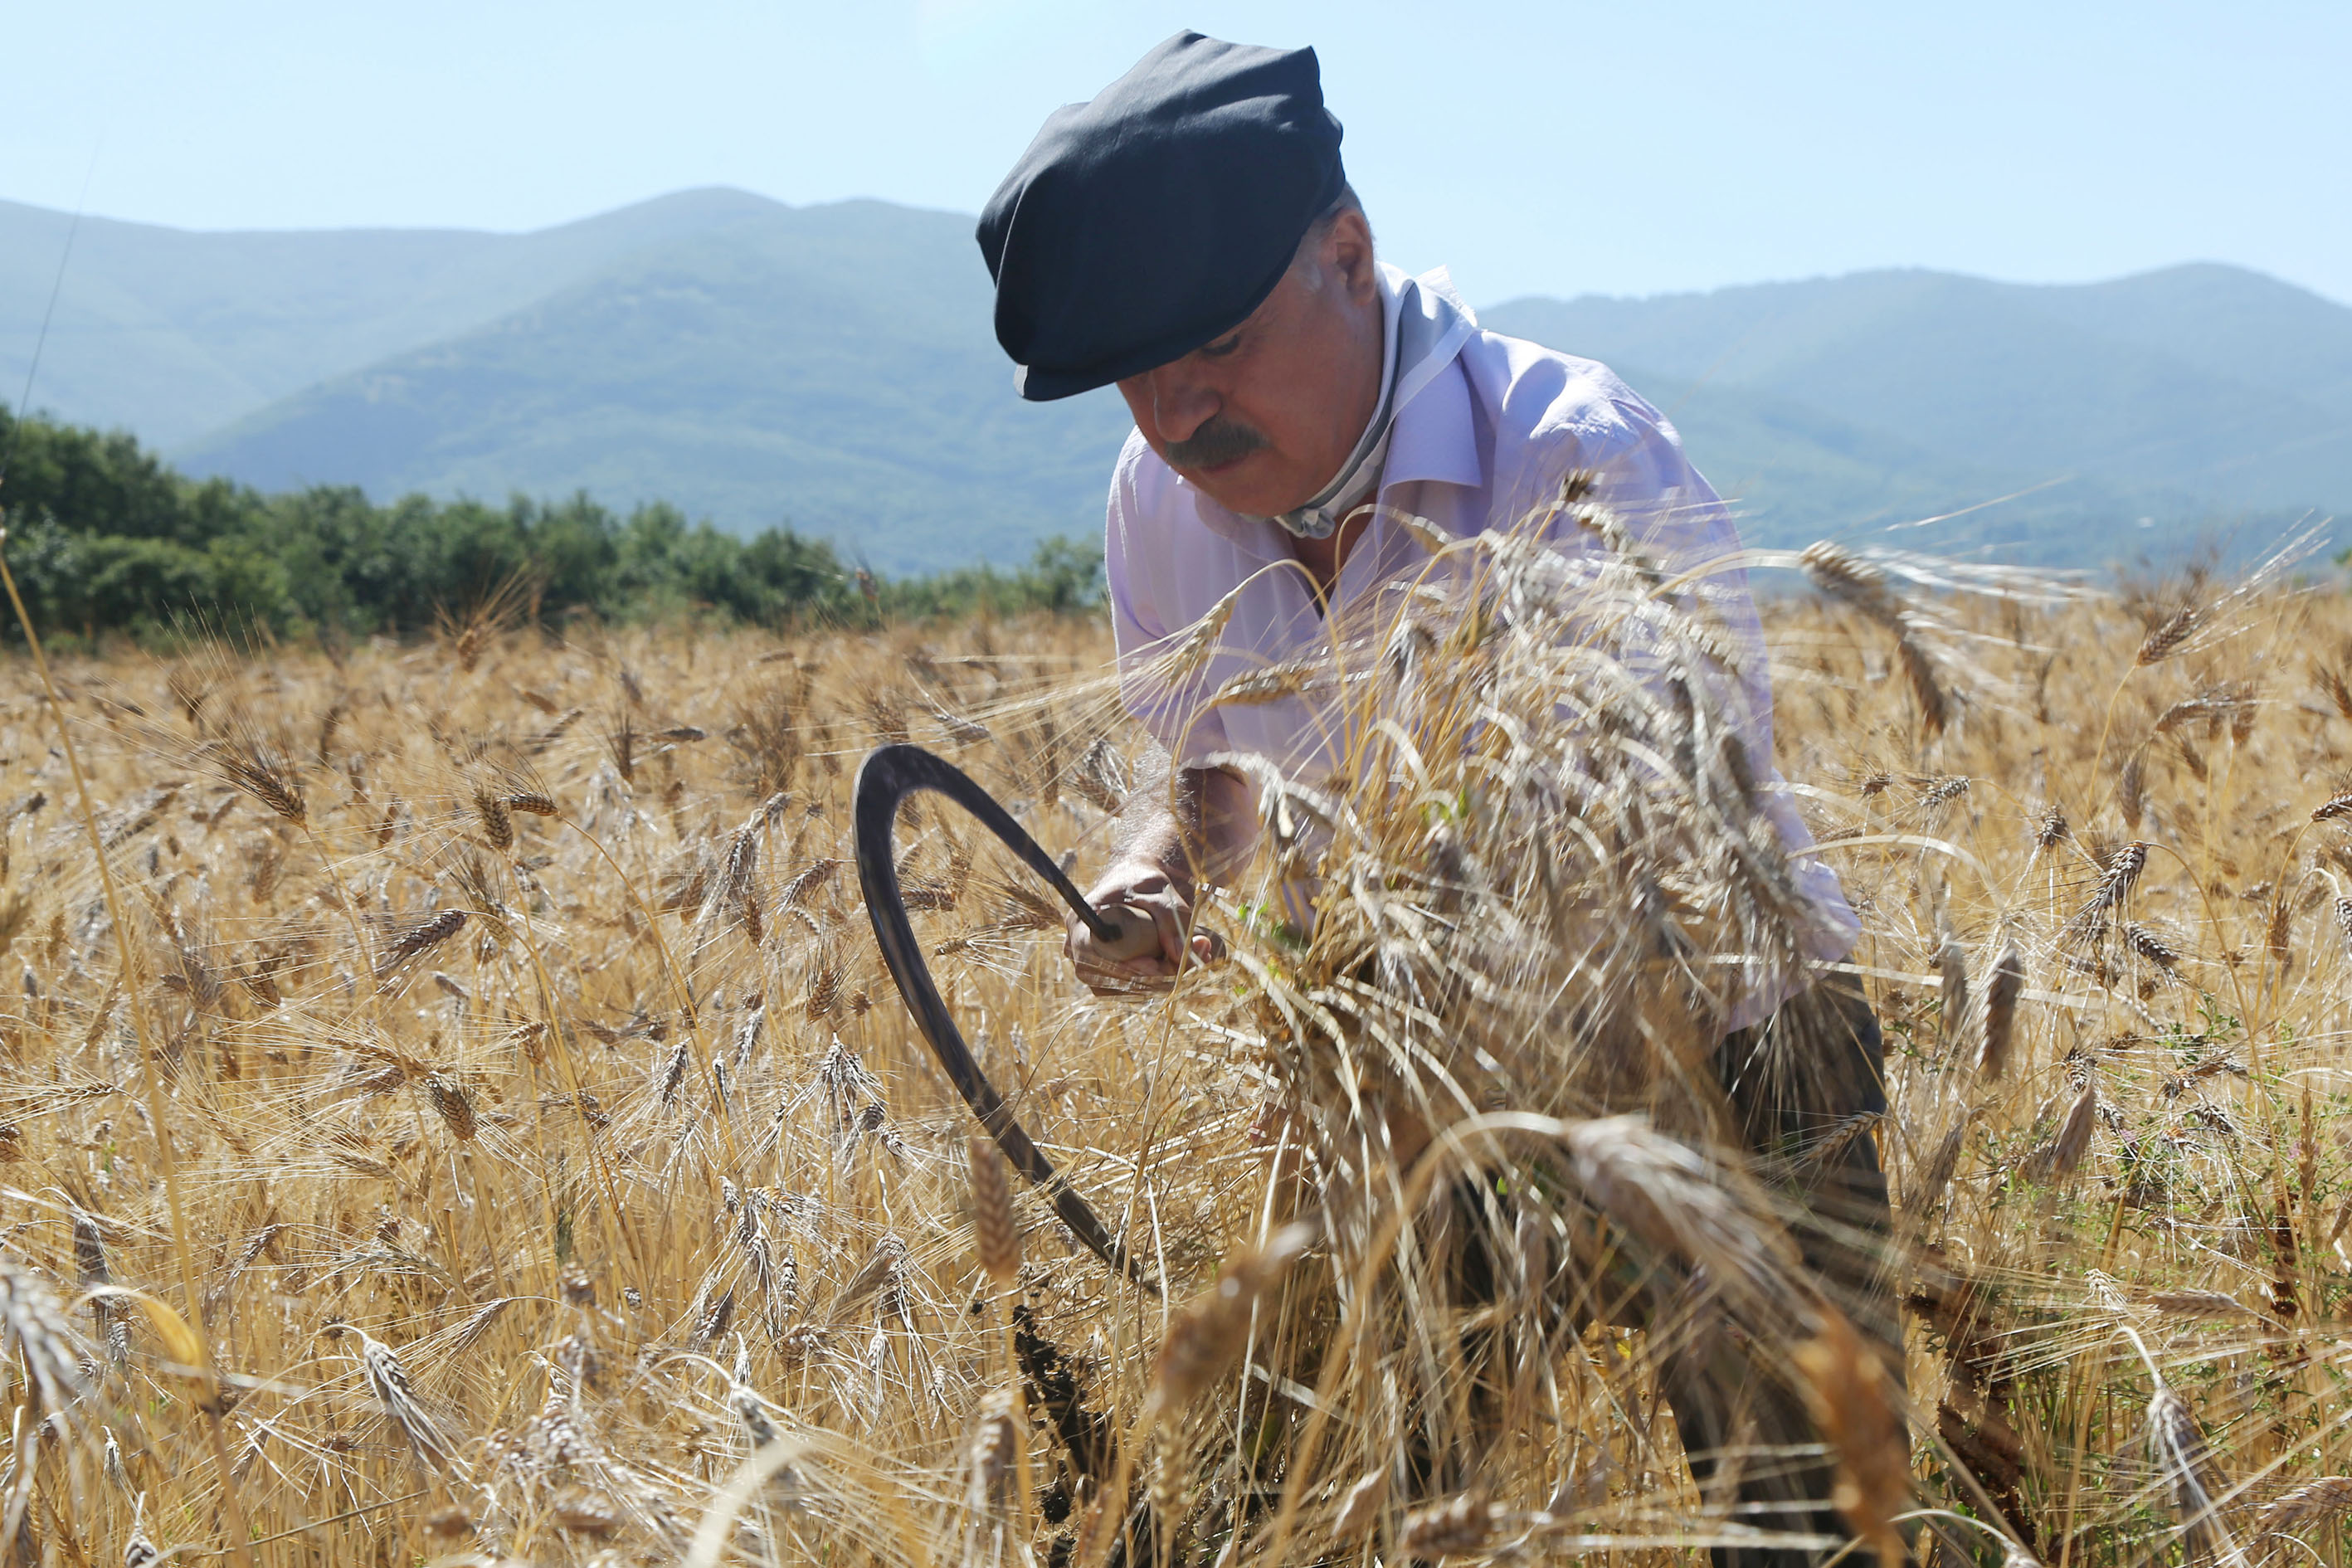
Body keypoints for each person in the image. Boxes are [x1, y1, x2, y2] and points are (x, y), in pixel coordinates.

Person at [977, 32, 1897, 1566]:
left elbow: (1652, 836)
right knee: (1346, 1516)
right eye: (1135, 369)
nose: (1179, 404)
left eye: (1213, 336)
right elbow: (1218, 775)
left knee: (1800, 1527)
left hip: (1734, 1059)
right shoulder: (1159, 506)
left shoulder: (1576, 456)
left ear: (1350, 254)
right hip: (1398, 1106)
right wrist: (1155, 876)